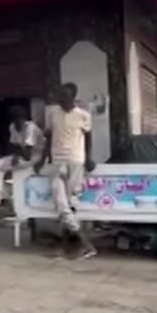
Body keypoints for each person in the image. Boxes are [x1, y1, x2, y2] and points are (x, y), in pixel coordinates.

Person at [35, 83, 98, 260]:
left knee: (70, 205)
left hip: (76, 161)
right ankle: (86, 245)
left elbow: (88, 138)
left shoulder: (83, 115)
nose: (61, 98)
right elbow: (48, 138)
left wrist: (89, 157)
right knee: (61, 201)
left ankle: (67, 247)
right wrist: (42, 159)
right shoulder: (53, 113)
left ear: (72, 97)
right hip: (57, 161)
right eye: (60, 94)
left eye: (64, 95)